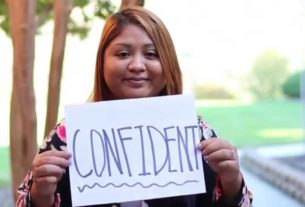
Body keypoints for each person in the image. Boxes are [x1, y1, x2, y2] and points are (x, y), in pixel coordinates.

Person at [16, 6, 253, 207]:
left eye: (151, 54)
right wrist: (41, 193)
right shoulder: (67, 136)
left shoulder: (194, 132)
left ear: (168, 64)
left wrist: (231, 181)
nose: (137, 65)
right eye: (123, 54)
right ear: (102, 63)